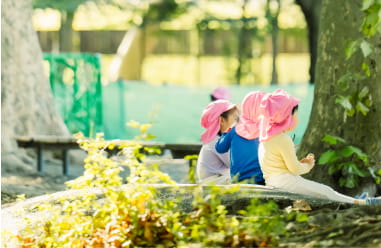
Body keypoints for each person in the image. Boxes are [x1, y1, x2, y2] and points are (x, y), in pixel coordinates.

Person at [258, 89, 381, 205]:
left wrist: (301, 162)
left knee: (322, 191)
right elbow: (295, 169)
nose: (298, 117)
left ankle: (353, 200)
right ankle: (360, 203)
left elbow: (278, 164)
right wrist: (308, 165)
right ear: (286, 116)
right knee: (325, 191)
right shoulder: (283, 139)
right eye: (296, 114)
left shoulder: (265, 138)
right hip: (286, 183)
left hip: (274, 181)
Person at [215, 91, 265, 184]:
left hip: (238, 181)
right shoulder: (265, 131)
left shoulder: (234, 130)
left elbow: (220, 148)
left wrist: (228, 130)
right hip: (261, 180)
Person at [196, 100, 239, 184]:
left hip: (219, 180)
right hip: (212, 184)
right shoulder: (216, 142)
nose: (238, 122)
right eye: (235, 119)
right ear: (222, 120)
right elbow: (237, 164)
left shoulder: (218, 139)